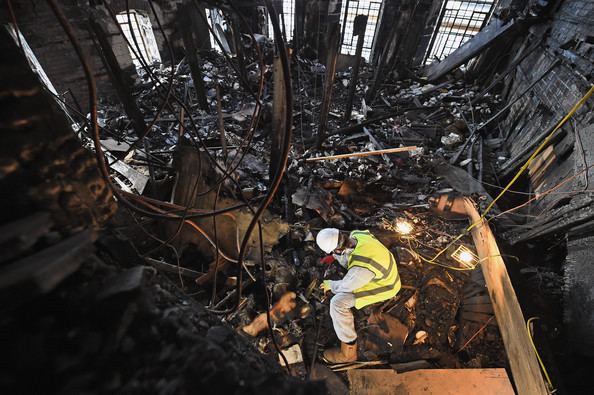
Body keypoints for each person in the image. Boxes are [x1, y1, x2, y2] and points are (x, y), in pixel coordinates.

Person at [316, 228, 401, 363]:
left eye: (334, 251)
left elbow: (346, 286)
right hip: (383, 269)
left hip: (386, 286)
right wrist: (334, 257)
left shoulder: (361, 268)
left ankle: (348, 352)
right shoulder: (356, 234)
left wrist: (330, 285)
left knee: (338, 303)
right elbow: (348, 251)